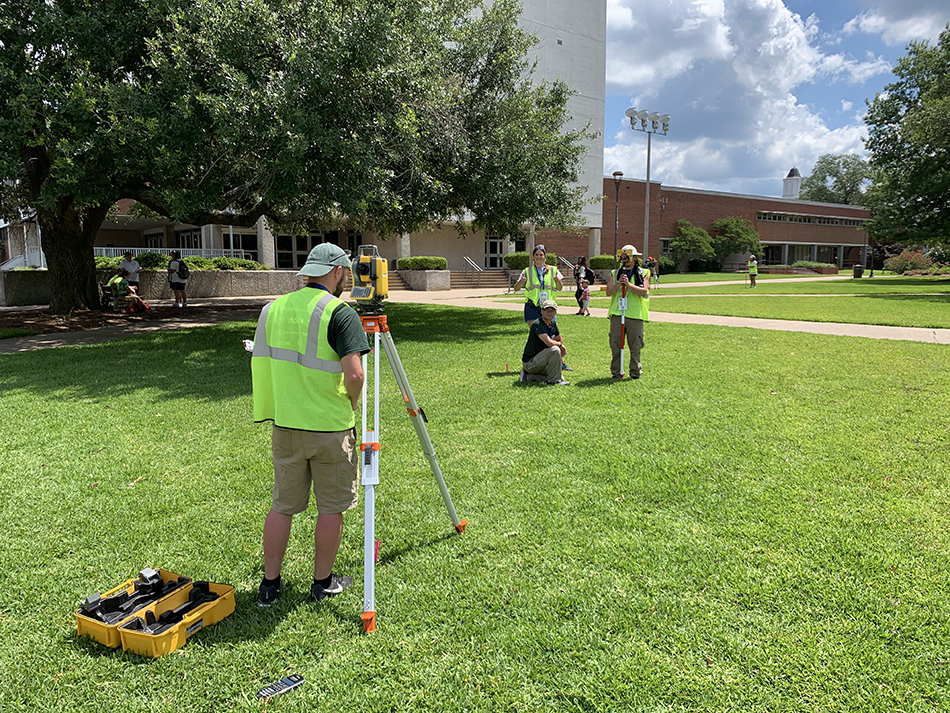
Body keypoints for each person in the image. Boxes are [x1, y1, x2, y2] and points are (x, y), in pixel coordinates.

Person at [251, 243, 370, 607]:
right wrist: (353, 400)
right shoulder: (340, 312)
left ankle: (269, 586)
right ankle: (322, 583)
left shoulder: (272, 309)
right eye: (346, 273)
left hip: (286, 425)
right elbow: (355, 374)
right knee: (330, 508)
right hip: (330, 426)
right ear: (335, 271)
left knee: (282, 506)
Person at [606, 244, 650, 380]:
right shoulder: (614, 274)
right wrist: (619, 283)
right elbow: (609, 292)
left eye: (630, 256)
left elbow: (644, 291)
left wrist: (629, 285)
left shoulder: (644, 273)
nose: (626, 260)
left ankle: (635, 372)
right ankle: (616, 372)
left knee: (635, 345)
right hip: (618, 314)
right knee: (616, 344)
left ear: (635, 258)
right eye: (624, 257)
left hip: (635, 314)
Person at [520, 300, 569, 386]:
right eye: (547, 310)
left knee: (558, 372)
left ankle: (528, 376)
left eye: (552, 311)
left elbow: (559, 339)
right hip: (530, 362)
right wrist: (560, 346)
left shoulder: (552, 323)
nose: (549, 313)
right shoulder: (537, 324)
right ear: (542, 311)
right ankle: (555, 381)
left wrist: (560, 345)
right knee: (554, 350)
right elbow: (550, 343)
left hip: (542, 360)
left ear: (555, 312)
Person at [512, 245, 563, 324]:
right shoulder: (527, 271)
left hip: (548, 306)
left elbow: (560, 288)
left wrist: (558, 281)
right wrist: (521, 282)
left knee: (551, 333)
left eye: (541, 255)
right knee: (535, 333)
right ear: (533, 256)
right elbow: (516, 288)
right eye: (536, 255)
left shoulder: (553, 270)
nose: (539, 257)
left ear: (545, 256)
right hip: (532, 306)